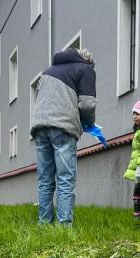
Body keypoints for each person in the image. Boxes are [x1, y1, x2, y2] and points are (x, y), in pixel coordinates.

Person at [30, 48, 97, 225]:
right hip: (63, 127)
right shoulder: (85, 69)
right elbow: (88, 105)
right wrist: (89, 123)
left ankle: (44, 224)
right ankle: (64, 228)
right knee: (65, 178)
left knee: (45, 179)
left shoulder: (48, 72)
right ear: (88, 61)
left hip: (39, 126)